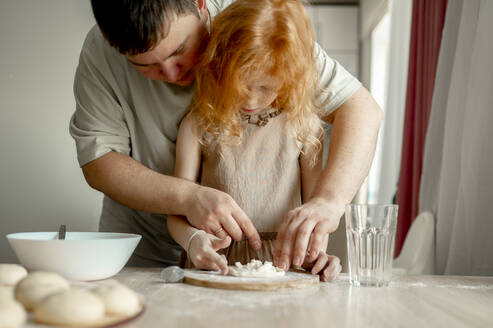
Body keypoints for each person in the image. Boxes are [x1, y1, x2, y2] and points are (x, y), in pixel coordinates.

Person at [70, 0, 382, 268]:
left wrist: (329, 201)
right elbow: (99, 162)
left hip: (266, 261)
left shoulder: (251, 27)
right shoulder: (100, 54)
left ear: (200, 3)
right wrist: (189, 200)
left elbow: (360, 108)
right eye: (146, 66)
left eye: (180, 50)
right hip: (141, 246)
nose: (171, 74)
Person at [167, 0, 342, 281]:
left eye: (265, 87)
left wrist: (320, 256)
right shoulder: (198, 125)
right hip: (215, 269)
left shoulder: (305, 127)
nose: (250, 99)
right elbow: (176, 213)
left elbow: (314, 217)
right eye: (241, 83)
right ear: (218, 64)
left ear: (290, 79)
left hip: (283, 270)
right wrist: (193, 240)